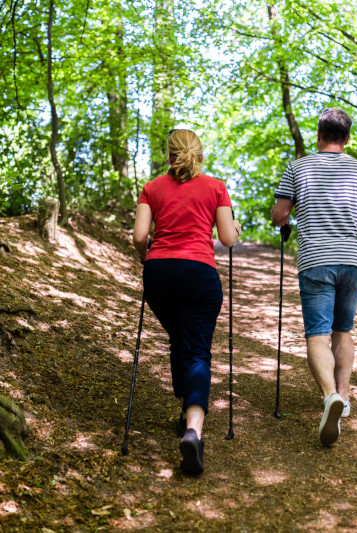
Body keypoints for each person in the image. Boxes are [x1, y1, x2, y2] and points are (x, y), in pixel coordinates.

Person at [271, 108, 357, 447]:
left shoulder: (298, 167)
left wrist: (284, 220)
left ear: (319, 135)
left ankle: (328, 398)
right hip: (353, 259)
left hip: (316, 259)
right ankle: (344, 396)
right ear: (347, 138)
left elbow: (280, 214)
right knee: (343, 331)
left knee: (318, 335)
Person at [133, 129, 241, 475]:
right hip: (198, 274)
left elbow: (139, 236)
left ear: (169, 155)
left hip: (159, 273)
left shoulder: (151, 188)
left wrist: (144, 258)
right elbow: (226, 238)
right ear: (200, 155)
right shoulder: (216, 187)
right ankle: (194, 429)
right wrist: (235, 227)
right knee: (195, 349)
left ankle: (184, 412)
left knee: (180, 338)